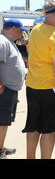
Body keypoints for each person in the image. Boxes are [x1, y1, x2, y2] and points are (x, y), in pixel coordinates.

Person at [22, 0, 55, 159]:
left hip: (33, 85)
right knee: (49, 129)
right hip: (51, 87)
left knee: (33, 126)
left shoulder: (35, 30)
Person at [0, 19, 28, 159]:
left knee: (4, 122)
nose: (21, 33)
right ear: (13, 29)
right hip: (4, 91)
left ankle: (0, 146)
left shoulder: (7, 41)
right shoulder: (3, 41)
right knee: (2, 122)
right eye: (20, 30)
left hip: (8, 90)